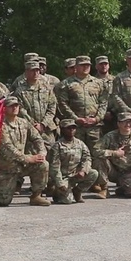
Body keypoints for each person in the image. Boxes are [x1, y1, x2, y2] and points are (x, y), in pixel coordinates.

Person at [55, 57, 108, 191]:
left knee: (96, 154)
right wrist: (75, 118)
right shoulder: (66, 84)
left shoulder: (98, 83)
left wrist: (97, 118)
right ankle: (74, 182)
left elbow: (103, 103)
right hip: (75, 126)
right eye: (82, 65)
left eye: (88, 65)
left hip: (94, 126)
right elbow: (63, 104)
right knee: (75, 155)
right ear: (76, 67)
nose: (85, 67)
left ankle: (99, 183)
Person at [0, 96, 49, 207]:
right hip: (6, 167)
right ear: (4, 109)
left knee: (43, 164)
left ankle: (36, 196)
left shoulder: (24, 123)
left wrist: (42, 152)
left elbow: (37, 138)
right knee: (2, 202)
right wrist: (28, 158)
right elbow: (7, 147)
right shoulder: (0, 125)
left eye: (16, 105)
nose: (14, 108)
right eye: (11, 106)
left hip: (23, 164)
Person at [94, 112, 131, 198]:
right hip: (114, 171)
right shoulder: (110, 136)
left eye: (130, 122)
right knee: (99, 160)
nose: (128, 124)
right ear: (118, 124)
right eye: (125, 122)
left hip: (130, 173)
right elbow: (95, 150)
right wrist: (114, 153)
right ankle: (104, 188)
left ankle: (124, 188)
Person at [49, 118, 98, 204]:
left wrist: (83, 171)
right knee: (67, 201)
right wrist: (60, 184)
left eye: (73, 128)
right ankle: (55, 191)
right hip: (62, 177)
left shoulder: (80, 144)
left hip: (75, 175)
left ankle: (77, 191)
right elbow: (54, 167)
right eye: (68, 128)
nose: (71, 130)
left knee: (93, 173)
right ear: (62, 130)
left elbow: (87, 159)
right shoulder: (57, 146)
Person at [15, 57, 59, 146]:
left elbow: (52, 107)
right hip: (28, 129)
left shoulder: (47, 88)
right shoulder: (20, 91)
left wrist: (43, 124)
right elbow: (21, 110)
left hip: (46, 129)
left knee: (51, 154)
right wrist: (34, 125)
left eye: (37, 70)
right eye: (32, 71)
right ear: (26, 72)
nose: (36, 73)